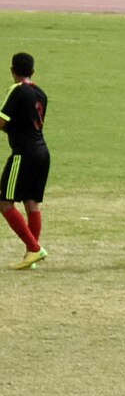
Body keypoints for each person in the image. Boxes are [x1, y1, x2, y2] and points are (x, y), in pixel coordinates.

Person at [2, 51, 49, 271]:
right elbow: (27, 123)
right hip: (42, 153)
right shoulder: (41, 93)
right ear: (33, 71)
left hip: (24, 154)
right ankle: (31, 255)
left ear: (12, 70)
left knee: (4, 202)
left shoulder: (17, 90)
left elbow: (2, 121)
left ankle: (34, 248)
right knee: (32, 203)